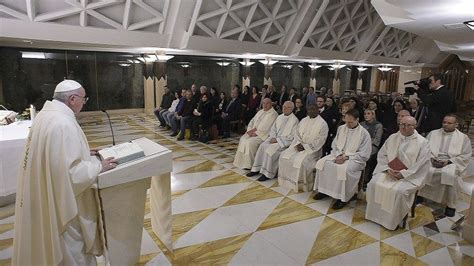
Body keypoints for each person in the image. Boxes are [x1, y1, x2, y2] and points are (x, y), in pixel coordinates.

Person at [13, 80, 117, 265]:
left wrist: (84, 152)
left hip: (46, 194)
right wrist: (98, 166)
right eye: (84, 99)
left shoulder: (46, 116)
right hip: (63, 205)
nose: (84, 103)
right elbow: (72, 174)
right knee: (73, 251)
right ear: (72, 99)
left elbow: (55, 157)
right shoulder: (63, 124)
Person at [365, 116, 430, 230]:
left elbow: (421, 164)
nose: (403, 127)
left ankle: (392, 221)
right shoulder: (393, 137)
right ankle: (375, 216)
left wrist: (403, 174)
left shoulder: (423, 143)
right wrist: (387, 168)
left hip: (410, 176)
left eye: (407, 125)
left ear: (414, 126)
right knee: (373, 183)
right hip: (389, 171)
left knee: (399, 191)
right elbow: (382, 155)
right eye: (401, 124)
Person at [313, 108, 372, 209]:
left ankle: (344, 197)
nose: (347, 124)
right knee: (323, 163)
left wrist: (346, 157)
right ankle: (325, 190)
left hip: (355, 159)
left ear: (357, 119)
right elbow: (335, 144)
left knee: (344, 170)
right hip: (338, 155)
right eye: (346, 121)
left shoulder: (364, 134)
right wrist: (338, 155)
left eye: (350, 122)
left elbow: (364, 154)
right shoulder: (341, 128)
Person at [418, 114, 472, 217]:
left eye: (449, 123)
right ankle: (420, 195)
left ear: (456, 124)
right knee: (423, 170)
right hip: (432, 159)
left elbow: (465, 155)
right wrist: (432, 158)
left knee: (451, 176)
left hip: (451, 162)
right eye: (444, 122)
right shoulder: (433, 133)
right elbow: (425, 148)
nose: (445, 124)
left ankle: (450, 205)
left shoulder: (463, 138)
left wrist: (449, 161)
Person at [278, 105, 328, 192]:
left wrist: (305, 147)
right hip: (299, 146)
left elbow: (320, 140)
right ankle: (287, 181)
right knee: (283, 156)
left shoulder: (323, 124)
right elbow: (297, 134)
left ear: (318, 110)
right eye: (309, 109)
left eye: (313, 109)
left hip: (313, 150)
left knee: (302, 162)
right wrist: (298, 144)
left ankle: (302, 185)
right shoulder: (304, 120)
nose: (311, 111)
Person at [247, 101, 299, 181]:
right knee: (262, 146)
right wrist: (273, 138)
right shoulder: (279, 117)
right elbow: (273, 129)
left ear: (292, 109)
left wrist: (277, 140)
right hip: (274, 139)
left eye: (287, 107)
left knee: (270, 150)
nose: (284, 108)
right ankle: (256, 169)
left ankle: (267, 173)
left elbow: (292, 136)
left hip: (283, 143)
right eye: (283, 106)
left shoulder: (295, 120)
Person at [233, 98, 278, 169]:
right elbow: (252, 121)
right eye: (263, 103)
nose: (265, 105)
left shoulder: (274, 114)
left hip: (263, 135)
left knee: (250, 142)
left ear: (271, 104)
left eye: (267, 103)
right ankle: (241, 162)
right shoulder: (260, 111)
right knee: (243, 138)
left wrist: (256, 133)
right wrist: (250, 130)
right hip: (253, 132)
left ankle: (250, 165)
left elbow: (267, 127)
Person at [360, 109, 383, 188]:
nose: (366, 115)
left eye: (368, 113)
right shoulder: (362, 124)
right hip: (361, 145)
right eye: (365, 114)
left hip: (372, 146)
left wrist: (366, 140)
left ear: (373, 115)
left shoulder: (378, 125)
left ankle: (364, 180)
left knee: (367, 157)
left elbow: (377, 140)